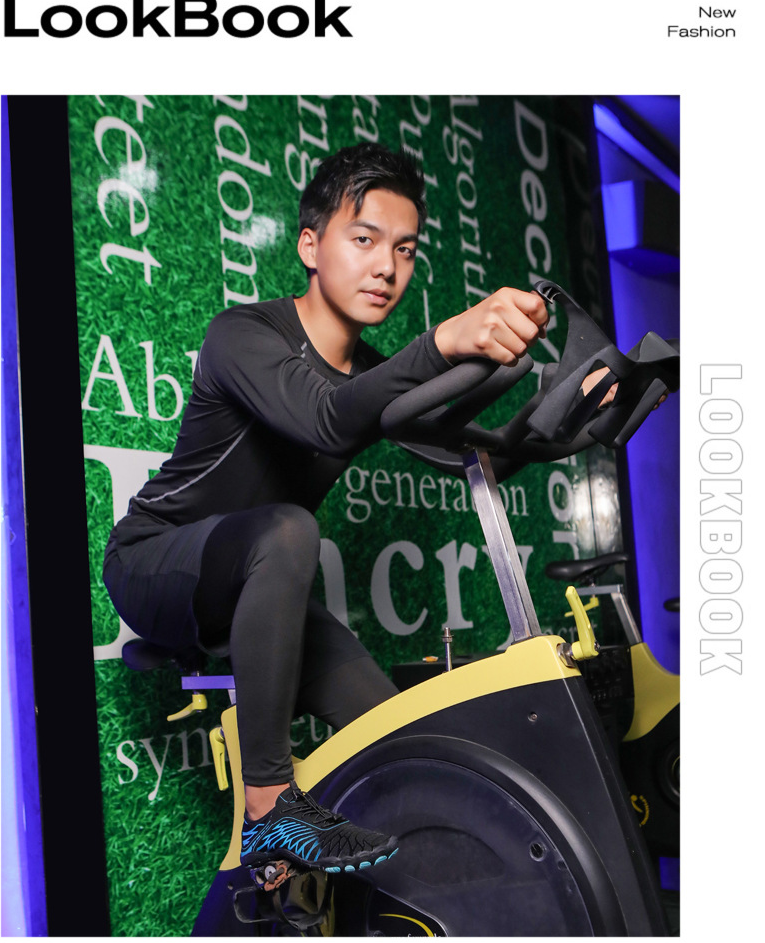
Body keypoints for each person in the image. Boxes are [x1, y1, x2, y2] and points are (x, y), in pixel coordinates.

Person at [102, 142, 555, 880]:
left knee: (396, 732)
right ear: (310, 246)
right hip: (155, 561)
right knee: (289, 529)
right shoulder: (242, 336)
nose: (387, 268)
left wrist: (569, 416)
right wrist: (443, 342)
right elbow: (325, 419)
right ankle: (269, 808)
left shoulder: (373, 375)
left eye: (404, 250)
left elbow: (474, 454)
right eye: (365, 239)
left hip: (258, 586)